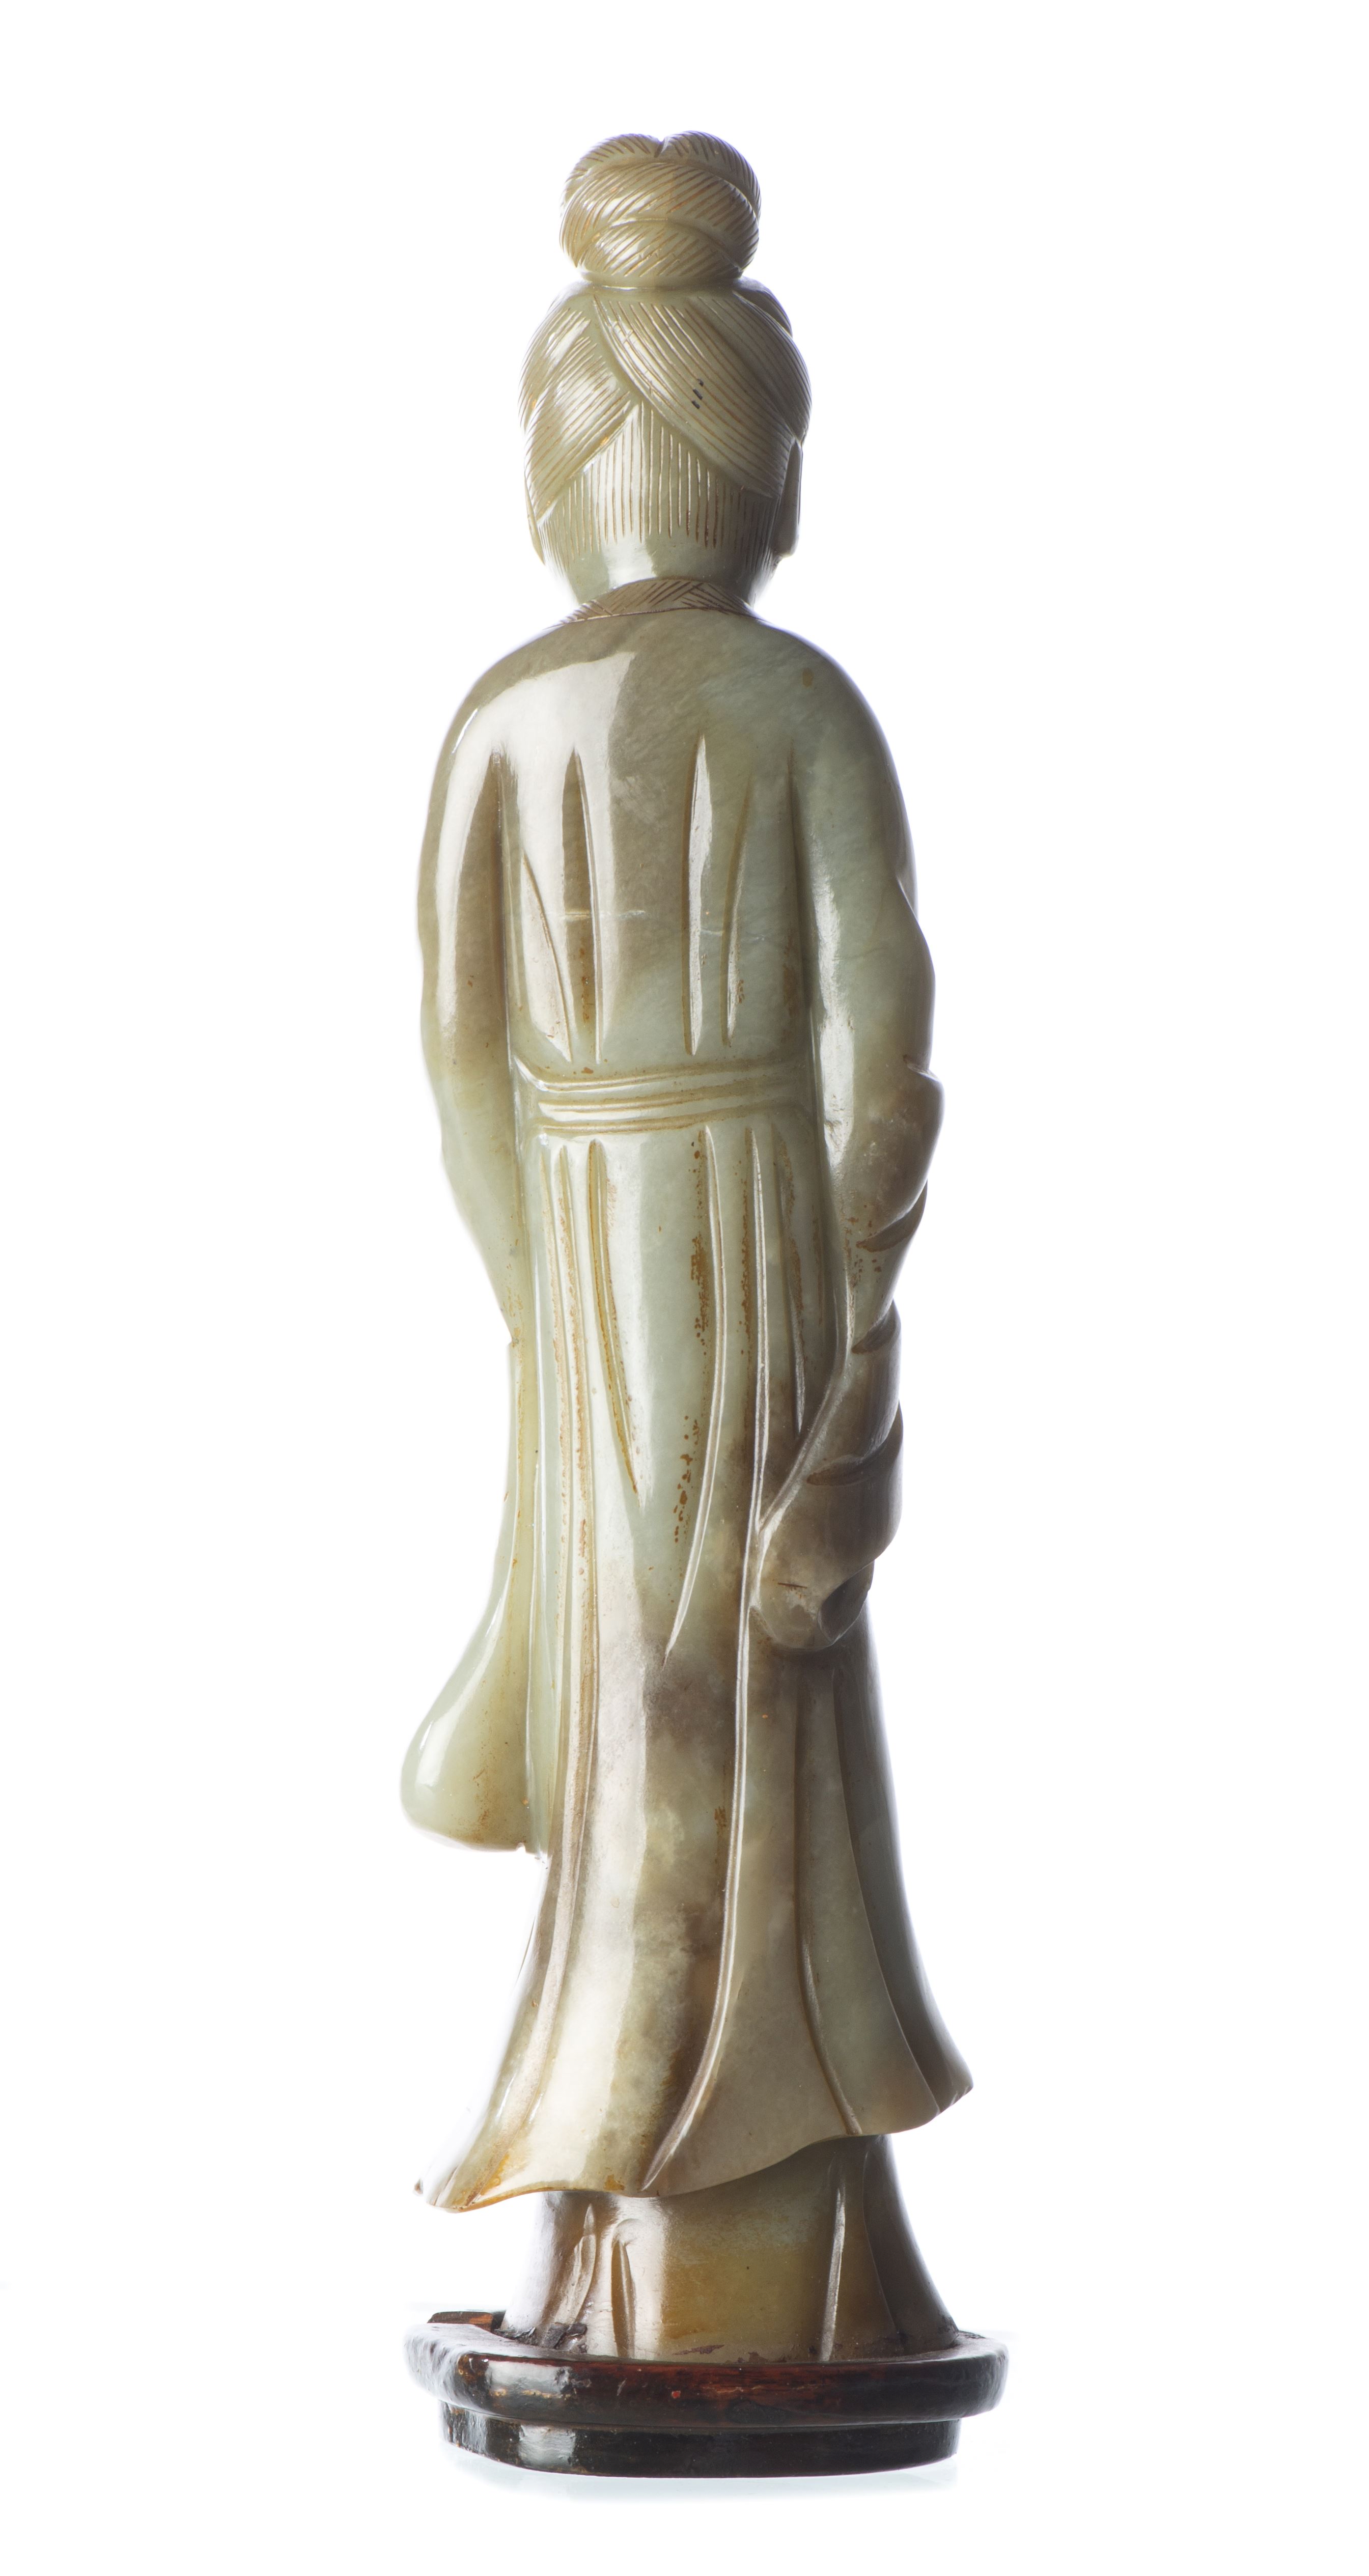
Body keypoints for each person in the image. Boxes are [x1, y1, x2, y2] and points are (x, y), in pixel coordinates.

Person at [402, 131, 971, 2362]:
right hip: (760, 1234)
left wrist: (538, 1281)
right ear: (764, 473)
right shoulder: (802, 703)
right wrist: (852, 1303)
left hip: (590, 1235)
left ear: (560, 475)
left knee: (659, 1683)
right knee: (727, 1683)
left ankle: (673, 2221)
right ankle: (701, 2217)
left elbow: (458, 1054)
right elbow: (886, 1041)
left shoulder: (504, 717)